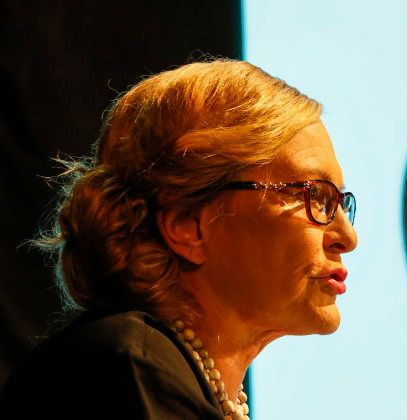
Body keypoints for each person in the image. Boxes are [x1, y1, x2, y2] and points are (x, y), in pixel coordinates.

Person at [0, 60, 358, 419]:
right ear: (186, 223)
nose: (348, 237)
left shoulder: (167, 375)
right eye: (315, 196)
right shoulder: (128, 370)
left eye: (341, 203)